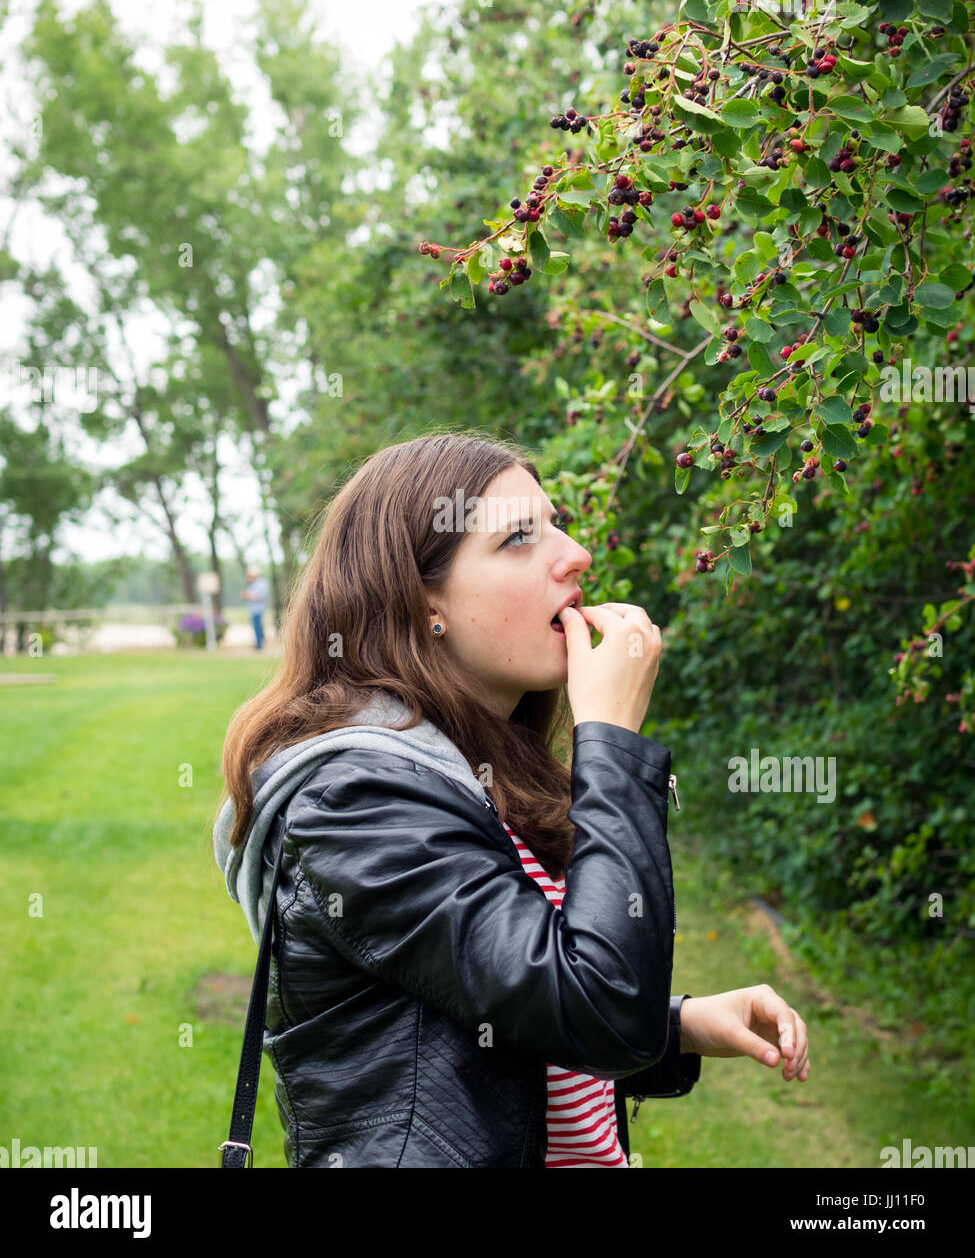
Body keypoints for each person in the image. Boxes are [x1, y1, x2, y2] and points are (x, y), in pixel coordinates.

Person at [213, 431, 809, 1168]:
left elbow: (515, 1001)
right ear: (422, 600)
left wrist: (677, 1024)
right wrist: (612, 744)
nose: (574, 554)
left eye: (556, 523)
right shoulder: (357, 800)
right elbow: (593, 1011)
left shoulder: (477, 770)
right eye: (519, 538)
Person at [240, 566, 270, 651]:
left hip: (258, 609)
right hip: (253, 609)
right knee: (258, 626)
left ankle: (259, 644)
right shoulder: (253, 584)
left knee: (257, 626)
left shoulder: (261, 583)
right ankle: (261, 642)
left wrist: (247, 595)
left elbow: (260, 596)